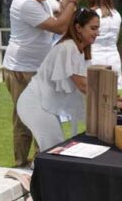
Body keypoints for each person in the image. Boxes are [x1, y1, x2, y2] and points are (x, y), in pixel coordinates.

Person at [3, 0, 83, 167]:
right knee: (25, 117)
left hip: (39, 69)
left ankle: (44, 161)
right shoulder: (25, 3)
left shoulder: (43, 0)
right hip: (22, 69)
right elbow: (60, 26)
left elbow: (64, 12)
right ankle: (21, 164)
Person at [16, 8, 99, 152]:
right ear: (78, 28)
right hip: (35, 105)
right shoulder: (68, 48)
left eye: (98, 29)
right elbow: (83, 85)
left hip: (44, 104)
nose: (97, 33)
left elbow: (89, 83)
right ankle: (39, 173)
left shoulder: (80, 51)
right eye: (93, 28)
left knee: (55, 148)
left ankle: (39, 172)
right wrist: (109, 100)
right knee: (54, 149)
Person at [87, 0, 122, 89]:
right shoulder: (116, 14)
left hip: (94, 56)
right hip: (113, 56)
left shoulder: (91, 14)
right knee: (113, 94)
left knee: (95, 94)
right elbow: (115, 38)